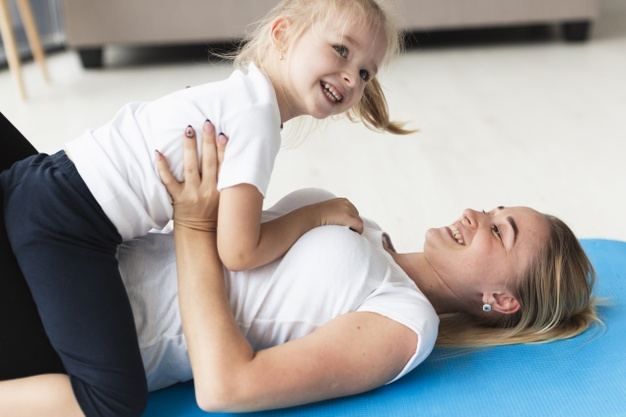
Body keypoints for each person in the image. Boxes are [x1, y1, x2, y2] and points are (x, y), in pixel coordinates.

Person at [1, 123, 601, 413]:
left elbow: (225, 387)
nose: (475, 212)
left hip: (65, 324)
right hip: (78, 245)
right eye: (494, 207)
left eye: (500, 229)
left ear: (501, 301)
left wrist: (192, 225)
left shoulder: (403, 323)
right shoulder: (361, 227)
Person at [0, 1, 411, 415]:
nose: (350, 77)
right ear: (283, 34)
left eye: (364, 73)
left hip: (40, 178)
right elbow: (238, 252)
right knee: (112, 400)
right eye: (342, 49)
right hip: (66, 221)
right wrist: (314, 214)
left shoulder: (239, 97)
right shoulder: (256, 120)